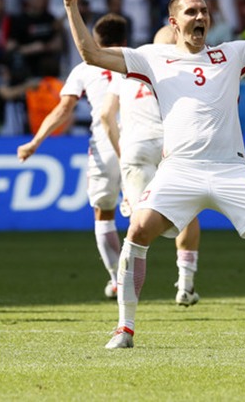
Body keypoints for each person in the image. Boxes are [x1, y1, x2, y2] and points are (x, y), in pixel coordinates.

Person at [62, 0, 245, 349]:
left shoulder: (232, 53)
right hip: (179, 170)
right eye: (191, 11)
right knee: (137, 232)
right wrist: (71, 6)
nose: (200, 16)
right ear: (174, 23)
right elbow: (91, 53)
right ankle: (124, 328)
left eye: (204, 10)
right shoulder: (152, 57)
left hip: (231, 170)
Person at [17, 14, 127, 300]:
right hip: (140, 143)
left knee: (104, 213)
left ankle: (118, 279)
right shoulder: (139, 59)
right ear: (125, 39)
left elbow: (63, 110)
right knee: (147, 213)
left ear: (95, 41)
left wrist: (35, 142)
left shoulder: (85, 67)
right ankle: (183, 273)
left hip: (105, 144)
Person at [100, 22, 202, 307]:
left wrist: (123, 156)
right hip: (173, 146)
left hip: (136, 147)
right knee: (188, 213)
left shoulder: (130, 63)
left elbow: (106, 116)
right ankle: (186, 285)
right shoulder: (185, 66)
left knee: (138, 227)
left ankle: (126, 295)